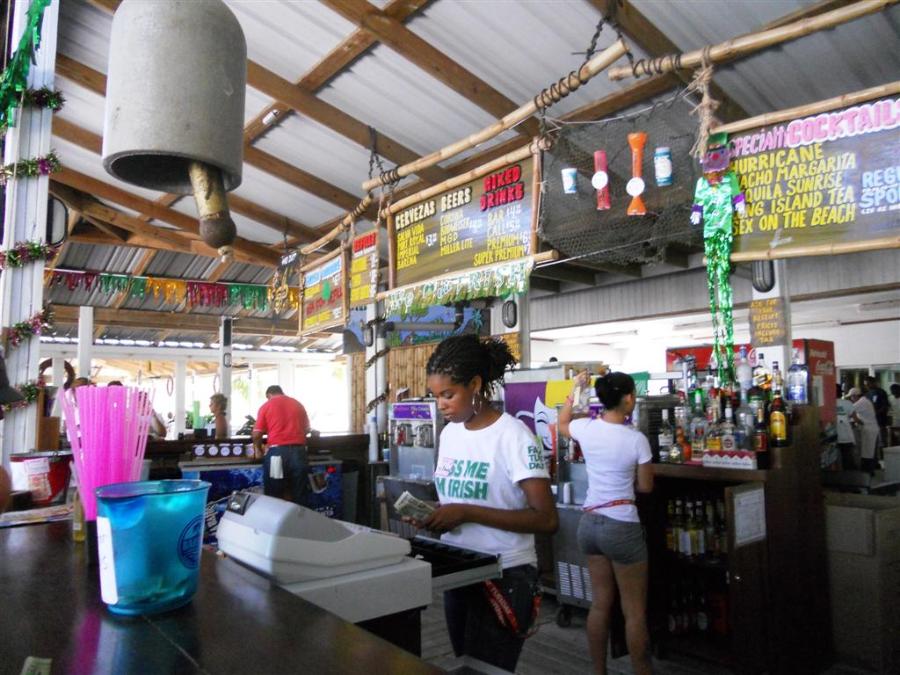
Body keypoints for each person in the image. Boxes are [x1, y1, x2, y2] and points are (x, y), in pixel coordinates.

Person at [415, 335, 558, 672]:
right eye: (436, 396)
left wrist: (466, 513)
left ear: (475, 385)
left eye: (448, 394)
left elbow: (546, 519)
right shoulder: (450, 434)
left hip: (505, 573)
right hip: (459, 568)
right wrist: (434, 515)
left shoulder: (514, 436)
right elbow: (458, 500)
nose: (441, 405)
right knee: (466, 667)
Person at [559, 371, 654, 675]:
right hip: (622, 526)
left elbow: (562, 423)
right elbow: (646, 487)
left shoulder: (586, 428)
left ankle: (599, 671)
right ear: (627, 398)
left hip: (589, 524)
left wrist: (575, 390)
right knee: (634, 612)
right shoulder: (636, 439)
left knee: (600, 604)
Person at [252, 385, 310, 504]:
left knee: (275, 494)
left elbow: (257, 434)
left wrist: (257, 450)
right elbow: (307, 429)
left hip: (276, 455)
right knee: (300, 493)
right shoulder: (298, 404)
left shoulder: (266, 406)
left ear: (269, 395)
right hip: (299, 453)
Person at [848, 387, 879, 474]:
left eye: (851, 397)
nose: (851, 399)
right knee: (868, 451)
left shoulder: (862, 402)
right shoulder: (864, 401)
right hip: (869, 429)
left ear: (855, 396)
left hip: (869, 430)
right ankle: (868, 471)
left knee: (867, 452)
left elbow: (849, 411)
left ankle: (868, 472)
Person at [835, 383, 857, 470]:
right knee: (847, 457)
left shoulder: (827, 403)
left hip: (832, 434)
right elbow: (855, 418)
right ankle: (849, 474)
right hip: (846, 434)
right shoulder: (847, 403)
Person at [864, 376, 890, 447]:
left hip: (880, 420)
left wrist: (876, 413)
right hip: (870, 422)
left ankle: (884, 452)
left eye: (868, 384)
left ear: (873, 383)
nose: (867, 386)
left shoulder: (881, 392)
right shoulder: (867, 394)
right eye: (865, 385)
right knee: (873, 441)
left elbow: (885, 406)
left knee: (882, 440)